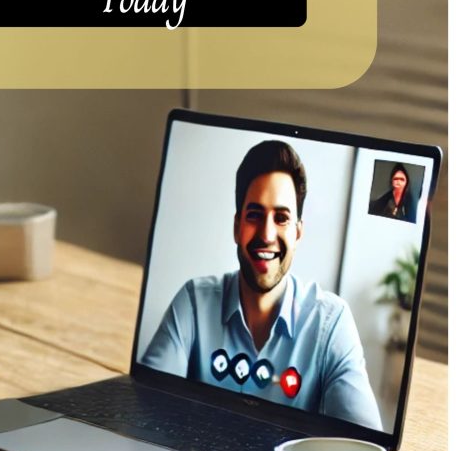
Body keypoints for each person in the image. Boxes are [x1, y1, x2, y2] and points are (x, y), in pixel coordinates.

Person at [140, 140, 382, 431]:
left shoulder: (331, 324)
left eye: (281, 218)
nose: (266, 234)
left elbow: (365, 448)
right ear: (236, 227)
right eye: (254, 215)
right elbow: (145, 410)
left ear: (298, 233)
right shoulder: (193, 303)